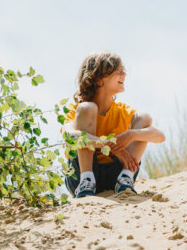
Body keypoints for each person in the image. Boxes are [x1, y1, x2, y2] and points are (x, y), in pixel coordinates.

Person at [62, 51, 166, 198]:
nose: (124, 74)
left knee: (144, 118)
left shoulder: (123, 111)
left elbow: (160, 136)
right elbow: (70, 137)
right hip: (79, 176)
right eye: (118, 71)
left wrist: (131, 135)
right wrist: (110, 144)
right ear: (99, 79)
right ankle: (87, 182)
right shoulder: (78, 109)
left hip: (114, 176)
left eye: (124, 70)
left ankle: (126, 178)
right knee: (87, 108)